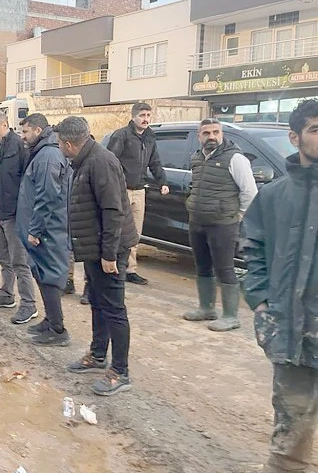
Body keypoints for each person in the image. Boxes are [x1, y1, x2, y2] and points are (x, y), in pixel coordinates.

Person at [241, 99, 318, 472]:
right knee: (291, 432)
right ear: (294, 137)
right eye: (316, 129)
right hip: (294, 333)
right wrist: (260, 300)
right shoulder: (272, 197)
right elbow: (252, 249)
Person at [55, 116, 139, 396]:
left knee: (114, 308)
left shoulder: (101, 162)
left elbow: (113, 211)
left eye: (59, 143)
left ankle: (120, 371)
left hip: (109, 249)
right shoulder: (83, 161)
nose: (58, 147)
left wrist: (109, 254)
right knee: (98, 303)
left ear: (68, 143)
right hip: (94, 247)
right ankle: (98, 354)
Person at [183, 118, 258, 331]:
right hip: (197, 222)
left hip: (223, 224)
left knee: (225, 268)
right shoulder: (196, 158)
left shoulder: (235, 159)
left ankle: (230, 316)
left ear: (222, 134)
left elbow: (250, 192)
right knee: (202, 266)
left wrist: (238, 216)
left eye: (216, 132)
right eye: (206, 133)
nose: (212, 137)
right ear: (199, 136)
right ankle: (206, 308)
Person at [16, 113, 71, 346]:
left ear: (38, 131)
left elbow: (47, 196)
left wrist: (35, 230)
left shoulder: (48, 156)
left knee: (48, 276)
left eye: (26, 132)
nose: (23, 136)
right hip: (40, 228)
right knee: (40, 272)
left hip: (47, 230)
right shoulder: (41, 151)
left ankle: (58, 330)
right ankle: (49, 320)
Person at [0, 109, 37, 324]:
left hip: (14, 214)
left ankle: (29, 305)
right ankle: (6, 294)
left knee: (19, 261)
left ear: (4, 126)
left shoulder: (19, 147)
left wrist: (25, 214)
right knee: (3, 257)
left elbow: (27, 183)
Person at [106, 102, 169, 285]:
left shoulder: (150, 137)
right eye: (142, 115)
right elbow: (110, 161)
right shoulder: (122, 136)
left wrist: (162, 181)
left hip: (140, 190)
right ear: (133, 117)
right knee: (117, 230)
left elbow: (155, 162)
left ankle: (129, 269)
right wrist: (113, 185)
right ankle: (113, 265)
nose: (146, 119)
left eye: (148, 115)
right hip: (121, 190)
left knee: (135, 233)